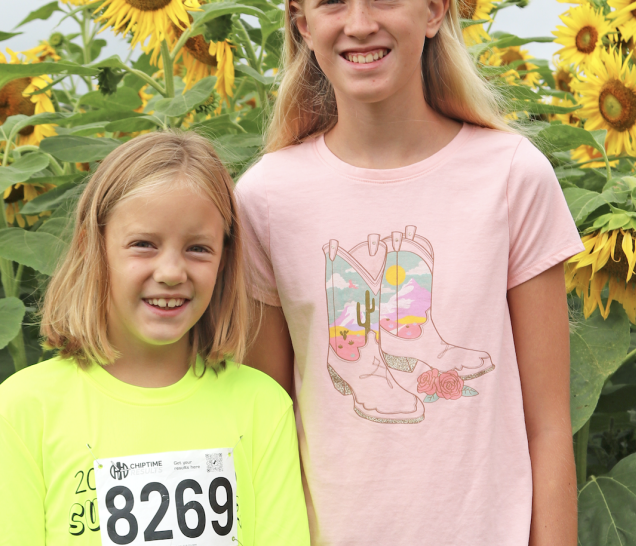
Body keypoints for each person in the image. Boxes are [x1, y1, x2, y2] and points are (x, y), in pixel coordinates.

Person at [235, 0, 583, 543]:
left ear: (435, 11)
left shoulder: (512, 176)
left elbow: (549, 428)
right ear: (304, 25)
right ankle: (363, 362)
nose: (359, 24)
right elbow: (266, 425)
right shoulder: (267, 198)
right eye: (333, 3)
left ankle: (412, 340)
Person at [0, 132, 310, 546]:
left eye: (198, 248)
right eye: (143, 245)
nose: (171, 272)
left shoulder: (263, 408)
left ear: (225, 260)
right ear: (94, 248)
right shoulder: (24, 410)